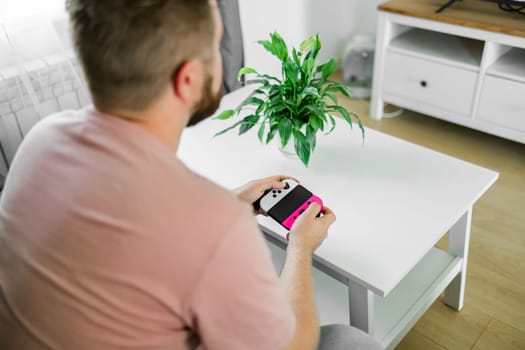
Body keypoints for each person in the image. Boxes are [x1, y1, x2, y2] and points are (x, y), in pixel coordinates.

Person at [0, 1, 382, 349]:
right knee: (352, 340)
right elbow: (292, 345)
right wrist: (300, 249)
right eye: (216, 46)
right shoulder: (216, 226)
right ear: (187, 79)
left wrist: (228, 203)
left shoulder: (40, 141)